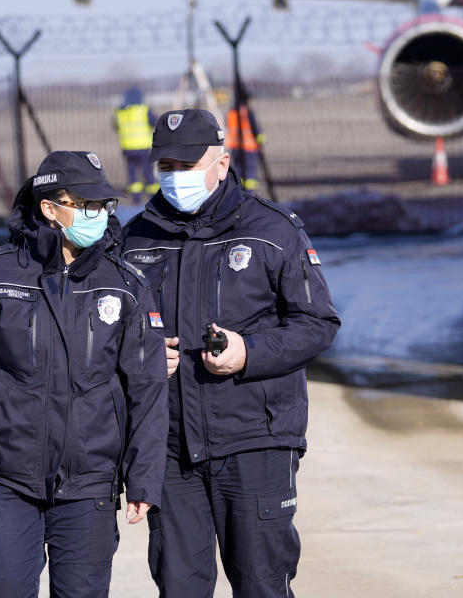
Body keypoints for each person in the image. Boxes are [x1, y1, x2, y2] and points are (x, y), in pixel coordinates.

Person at [120, 108, 341, 598]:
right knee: (179, 587)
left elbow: (317, 323)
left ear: (221, 162)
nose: (176, 177)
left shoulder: (273, 230)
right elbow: (111, 331)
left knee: (262, 584)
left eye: (189, 165)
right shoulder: (133, 241)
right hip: (172, 450)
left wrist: (250, 352)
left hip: (254, 441)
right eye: (167, 167)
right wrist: (144, 353)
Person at [0, 150, 169, 598]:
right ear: (50, 208)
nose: (99, 215)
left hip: (90, 486)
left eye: (104, 206)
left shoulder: (125, 285)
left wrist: (143, 477)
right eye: (86, 204)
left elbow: (147, 388)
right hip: (7, 481)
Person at [115, 87, 158, 203]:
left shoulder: (120, 111)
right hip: (143, 147)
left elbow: (116, 126)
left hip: (128, 148)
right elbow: (154, 122)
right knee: (147, 171)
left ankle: (136, 198)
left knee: (132, 173)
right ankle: (153, 197)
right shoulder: (144, 109)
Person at [225, 89, 265, 193]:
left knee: (238, 171)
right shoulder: (247, 112)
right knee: (250, 174)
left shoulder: (231, 112)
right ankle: (249, 194)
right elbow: (256, 130)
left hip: (235, 148)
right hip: (249, 149)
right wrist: (261, 143)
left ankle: (239, 191)